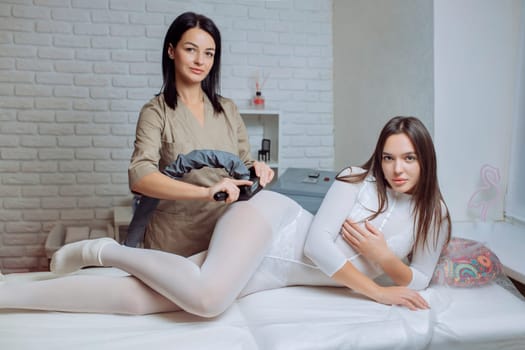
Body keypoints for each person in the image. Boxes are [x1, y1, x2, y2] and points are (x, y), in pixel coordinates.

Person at [0, 116, 451, 317]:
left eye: (408, 159)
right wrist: (376, 290)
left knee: (141, 301)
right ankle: (109, 251)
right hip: (271, 224)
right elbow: (315, 244)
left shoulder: (436, 215)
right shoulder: (357, 178)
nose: (396, 169)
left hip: (278, 274)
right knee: (209, 300)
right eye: (389, 157)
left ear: (424, 160)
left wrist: (383, 259)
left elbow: (423, 277)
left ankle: (10, 295)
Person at [128, 11, 274, 255]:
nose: (200, 61)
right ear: (171, 51)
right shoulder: (156, 112)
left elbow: (243, 163)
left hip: (226, 235)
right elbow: (141, 177)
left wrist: (257, 169)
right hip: (174, 239)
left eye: (209, 54)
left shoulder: (228, 109)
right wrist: (205, 193)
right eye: (191, 49)